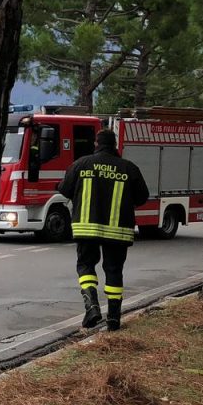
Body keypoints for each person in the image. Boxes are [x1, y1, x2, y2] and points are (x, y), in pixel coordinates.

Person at [56, 128, 150, 331]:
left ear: (96, 145)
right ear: (114, 145)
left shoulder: (81, 164)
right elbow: (142, 197)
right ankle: (114, 318)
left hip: (86, 228)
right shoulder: (128, 168)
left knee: (86, 266)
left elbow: (64, 189)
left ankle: (92, 307)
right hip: (118, 231)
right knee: (114, 271)